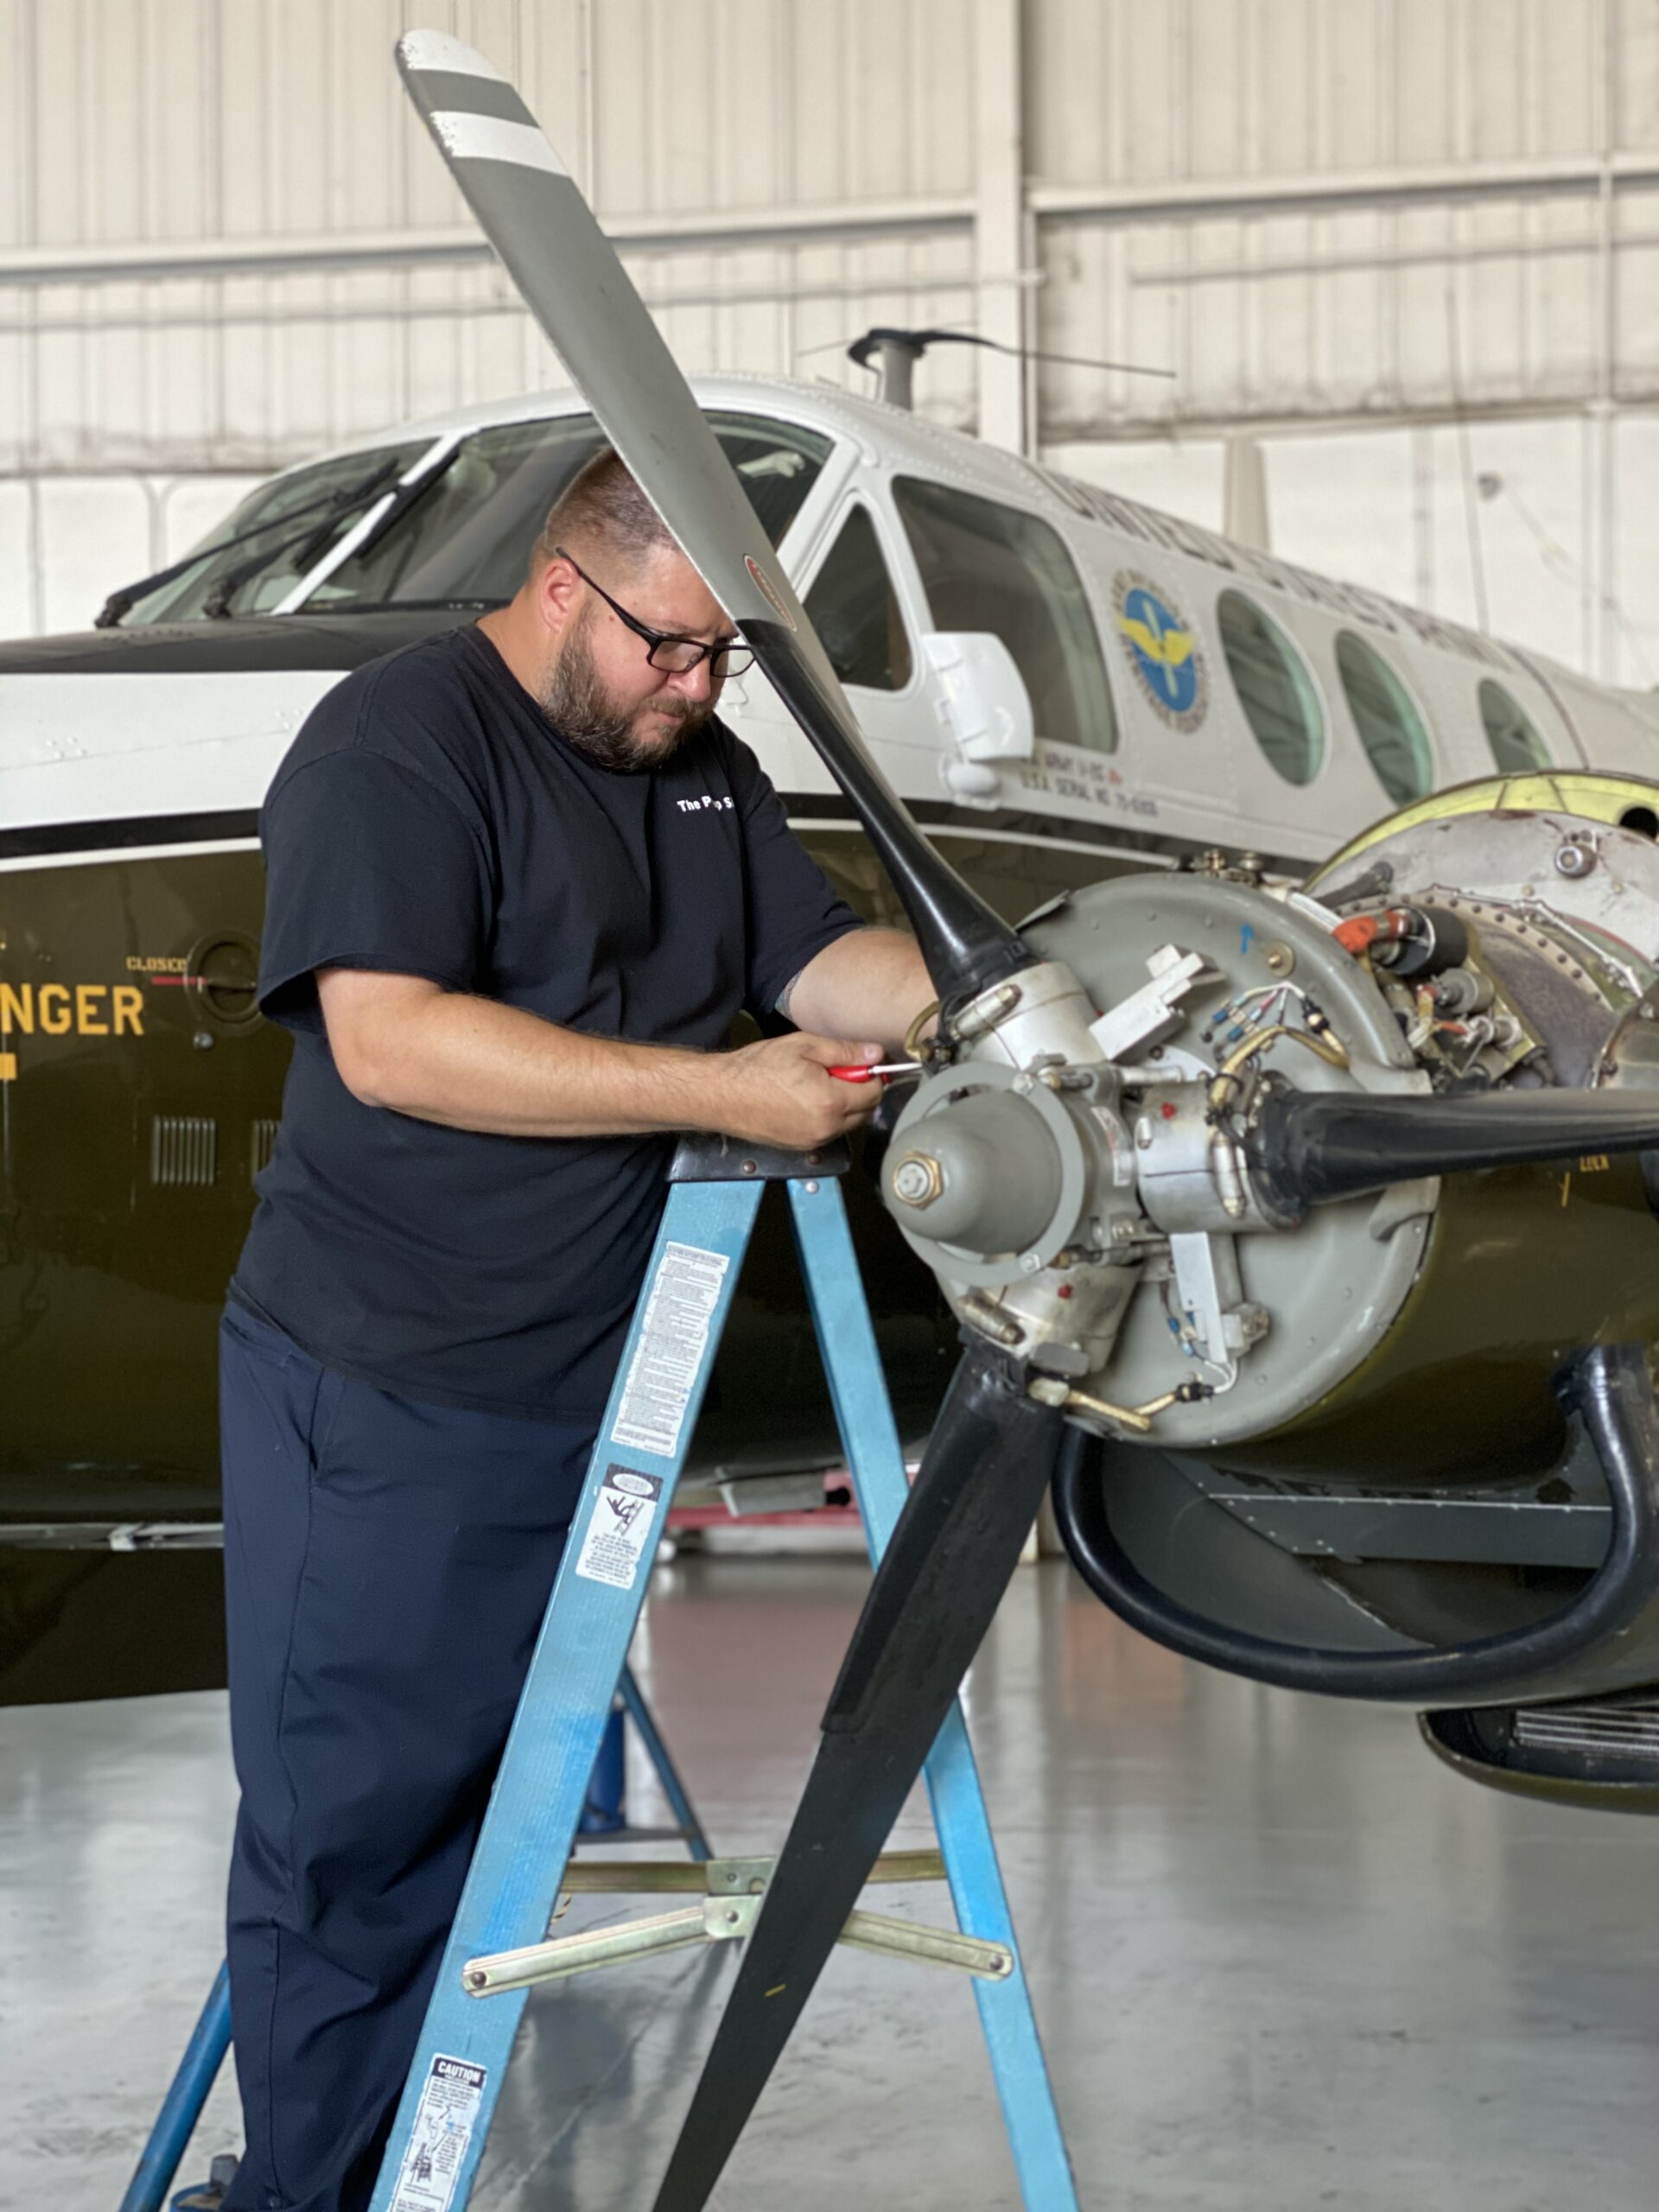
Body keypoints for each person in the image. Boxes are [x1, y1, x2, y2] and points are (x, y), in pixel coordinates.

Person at [217, 447, 935, 2212]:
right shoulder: (398, 740)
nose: (695, 687)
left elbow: (815, 959)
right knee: (357, 1841)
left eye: (721, 661)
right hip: (383, 1380)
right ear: (565, 591)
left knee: (478, 1836)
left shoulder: (698, 765)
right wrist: (724, 1096)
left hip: (586, 1391)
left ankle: (386, 2173)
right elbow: (389, 1038)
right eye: (670, 650)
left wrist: (1001, 987)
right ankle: (310, 2195)